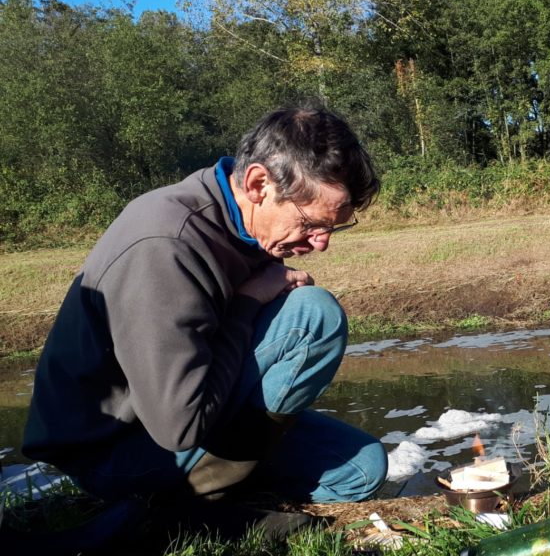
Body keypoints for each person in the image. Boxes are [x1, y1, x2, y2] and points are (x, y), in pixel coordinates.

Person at [23, 105, 389, 511]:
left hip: (181, 419)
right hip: (113, 450)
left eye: (333, 228)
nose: (321, 243)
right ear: (257, 183)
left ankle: (233, 487)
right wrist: (249, 301)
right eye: (311, 223)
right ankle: (202, 501)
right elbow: (180, 426)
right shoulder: (165, 246)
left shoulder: (245, 223)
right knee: (312, 316)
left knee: (361, 468)